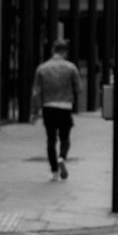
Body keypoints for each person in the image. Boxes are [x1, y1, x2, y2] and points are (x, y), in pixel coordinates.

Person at [31, 40, 82, 181]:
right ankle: (62, 158)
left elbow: (36, 92)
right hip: (65, 107)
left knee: (51, 139)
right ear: (64, 52)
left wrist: (35, 111)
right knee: (65, 137)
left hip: (49, 107)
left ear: (53, 50)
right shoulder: (71, 67)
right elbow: (79, 88)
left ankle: (54, 172)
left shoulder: (42, 68)